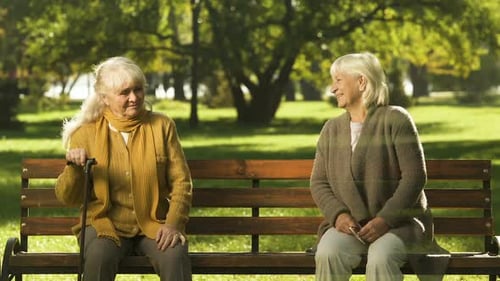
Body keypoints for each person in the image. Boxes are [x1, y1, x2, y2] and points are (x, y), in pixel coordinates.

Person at [310, 52, 449, 281]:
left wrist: (385, 220)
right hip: (351, 227)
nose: (333, 88)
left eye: (338, 80)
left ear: (361, 81)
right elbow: (319, 182)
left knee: (381, 255)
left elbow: (414, 177)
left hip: (399, 225)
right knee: (328, 251)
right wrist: (338, 216)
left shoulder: (396, 119)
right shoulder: (331, 129)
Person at [55, 56, 193, 281]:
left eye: (138, 89)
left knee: (174, 255)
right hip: (104, 224)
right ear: (104, 98)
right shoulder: (85, 133)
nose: (134, 98)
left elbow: (182, 182)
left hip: (153, 223)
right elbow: (67, 198)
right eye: (124, 92)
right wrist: (74, 168)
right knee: (100, 256)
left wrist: (173, 224)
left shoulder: (162, 125)